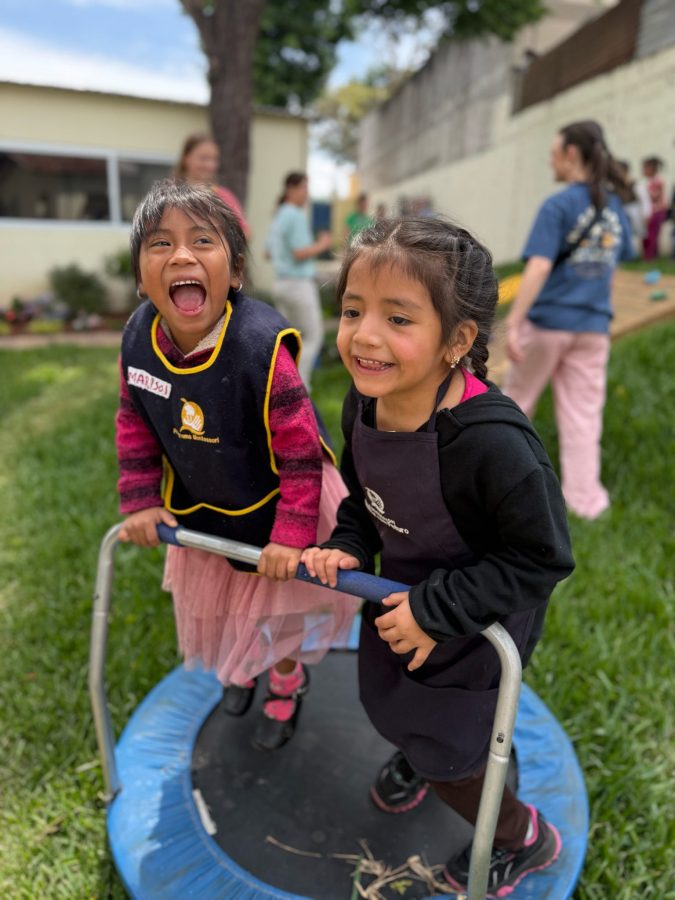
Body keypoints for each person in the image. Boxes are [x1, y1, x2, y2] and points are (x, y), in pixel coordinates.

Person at [301, 216, 575, 897]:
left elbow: (541, 558)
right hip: (403, 598)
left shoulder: (495, 446)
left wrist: (438, 609)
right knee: (398, 708)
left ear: (457, 341)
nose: (364, 335)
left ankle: (520, 835)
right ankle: (426, 759)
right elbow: (366, 501)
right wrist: (347, 544)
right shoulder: (363, 404)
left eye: (398, 319)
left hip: (478, 620)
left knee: (456, 748)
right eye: (353, 310)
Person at [115, 179, 357, 752]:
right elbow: (135, 424)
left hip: (282, 503)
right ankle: (242, 666)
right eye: (159, 243)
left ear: (237, 271)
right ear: (140, 276)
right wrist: (141, 501)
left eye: (202, 240)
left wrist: (292, 538)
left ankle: (285, 675)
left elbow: (300, 453)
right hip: (206, 506)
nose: (180, 254)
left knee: (285, 605)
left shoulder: (259, 346)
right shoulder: (138, 341)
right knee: (225, 606)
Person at [502, 120, 634, 520]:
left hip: (547, 324)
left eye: (554, 152)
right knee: (583, 416)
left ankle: (501, 489)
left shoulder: (557, 206)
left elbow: (539, 266)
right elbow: (612, 268)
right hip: (593, 327)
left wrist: (513, 321)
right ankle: (587, 502)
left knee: (514, 408)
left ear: (572, 154)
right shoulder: (614, 209)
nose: (551, 160)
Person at [266, 172, 332, 389]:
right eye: (304, 188)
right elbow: (299, 253)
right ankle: (299, 387)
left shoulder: (279, 215)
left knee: (290, 340)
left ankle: (280, 385)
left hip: (280, 284)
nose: (307, 193)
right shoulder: (294, 215)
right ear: (291, 189)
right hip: (297, 285)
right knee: (314, 336)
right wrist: (323, 244)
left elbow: (267, 253)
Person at [175, 132, 251, 239]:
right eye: (203, 158)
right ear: (186, 158)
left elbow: (245, 232)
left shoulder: (223, 196)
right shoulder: (169, 195)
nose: (210, 165)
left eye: (214, 159)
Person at [635, 156, 667, 260]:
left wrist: (644, 191)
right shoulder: (646, 182)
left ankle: (649, 256)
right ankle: (649, 254)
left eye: (645, 168)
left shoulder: (658, 181)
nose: (643, 170)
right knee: (646, 234)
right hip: (647, 211)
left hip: (656, 211)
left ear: (652, 169)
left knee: (652, 234)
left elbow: (655, 197)